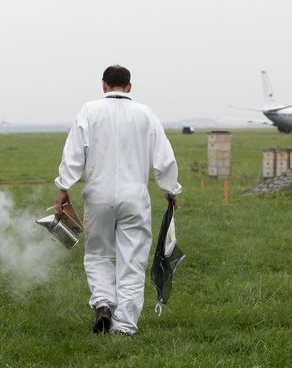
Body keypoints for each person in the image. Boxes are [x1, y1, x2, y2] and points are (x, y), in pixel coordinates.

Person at [54, 65, 181, 335]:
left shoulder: (88, 111)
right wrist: (171, 189)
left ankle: (103, 304)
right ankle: (124, 326)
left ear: (103, 85)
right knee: (132, 260)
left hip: (98, 196)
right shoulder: (146, 114)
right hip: (134, 197)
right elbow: (164, 158)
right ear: (130, 87)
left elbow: (73, 154)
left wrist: (64, 188)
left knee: (98, 254)